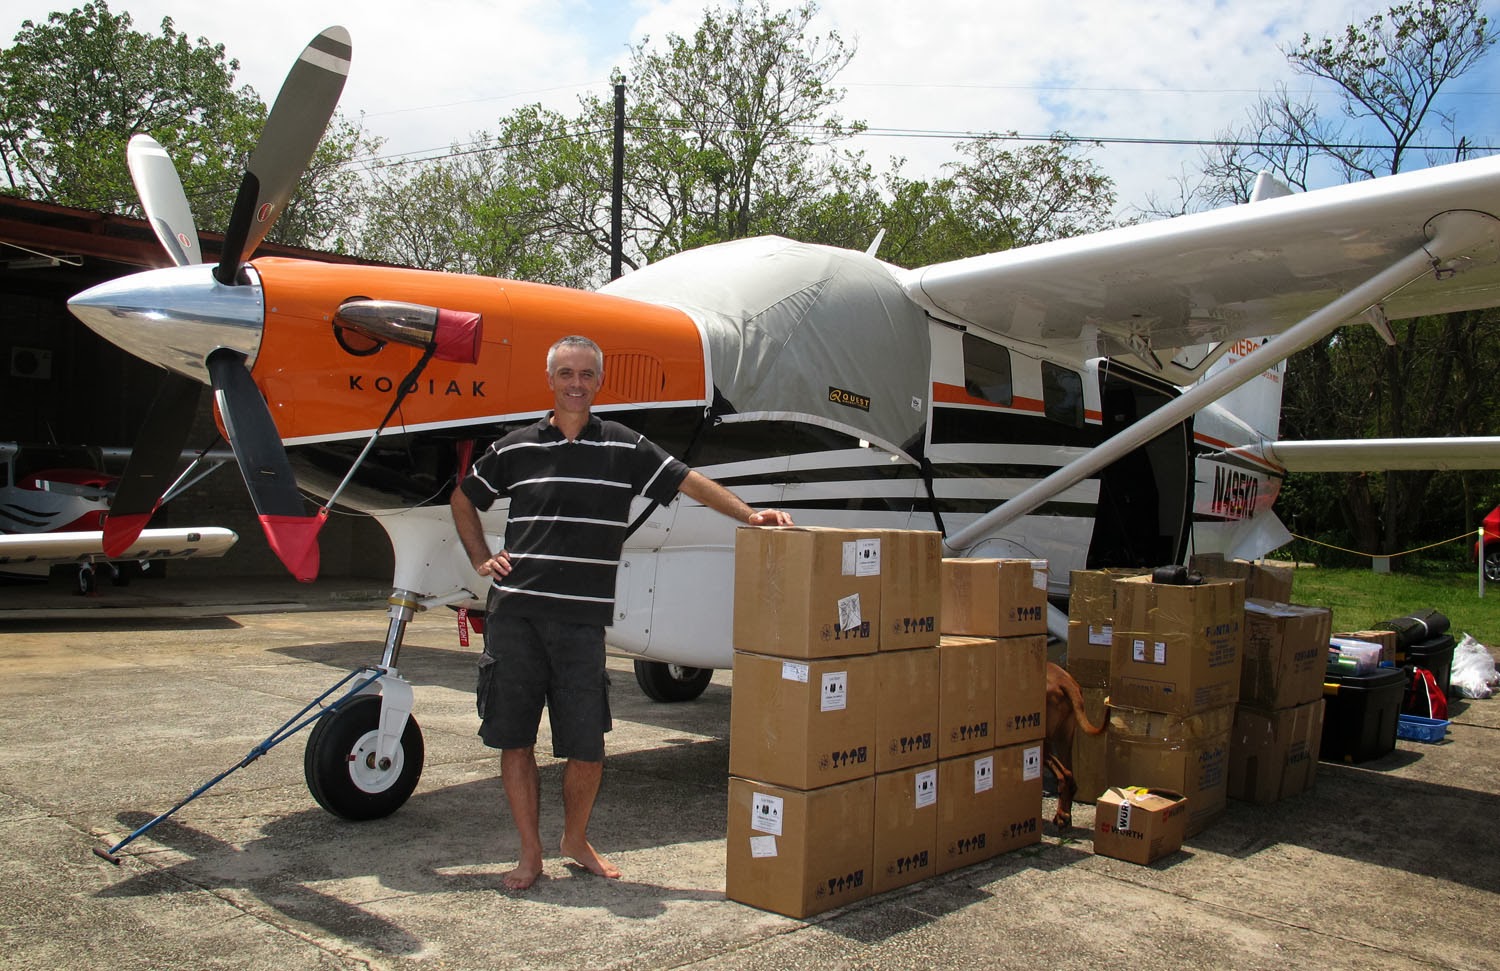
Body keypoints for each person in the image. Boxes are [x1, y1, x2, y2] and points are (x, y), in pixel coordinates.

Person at [450, 334, 792, 890]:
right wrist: (480, 558)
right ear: (550, 380)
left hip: (583, 624)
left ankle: (575, 838)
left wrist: (749, 515)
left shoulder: (624, 446)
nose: (576, 384)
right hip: (517, 616)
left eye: (586, 374)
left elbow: (687, 480)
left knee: (587, 747)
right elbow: (465, 497)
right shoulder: (514, 448)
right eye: (566, 373)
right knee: (516, 740)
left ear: (599, 382)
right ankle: (530, 853)